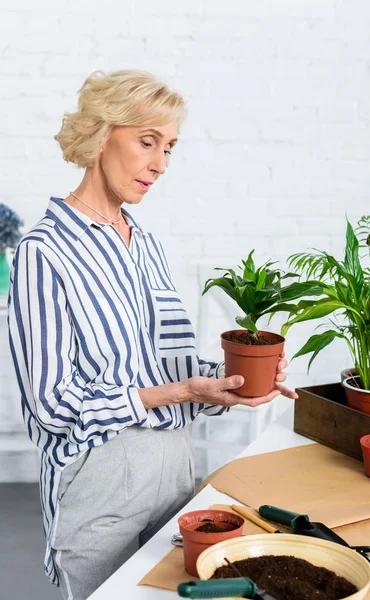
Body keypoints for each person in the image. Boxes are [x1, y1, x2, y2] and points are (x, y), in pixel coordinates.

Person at [7, 69, 298, 600]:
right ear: (99, 135)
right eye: (147, 142)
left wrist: (229, 380)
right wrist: (182, 392)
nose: (160, 164)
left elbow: (166, 368)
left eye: (169, 147)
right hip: (99, 481)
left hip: (176, 466)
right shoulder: (44, 252)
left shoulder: (145, 244)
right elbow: (50, 405)